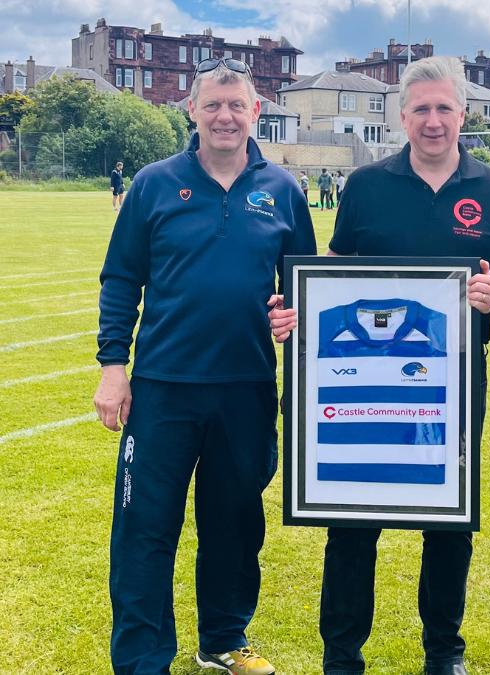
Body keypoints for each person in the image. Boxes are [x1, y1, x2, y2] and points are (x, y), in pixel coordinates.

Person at [270, 56, 490, 675]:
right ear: (401, 116)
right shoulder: (367, 185)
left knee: (448, 522)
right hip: (362, 381)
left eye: (445, 108)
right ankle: (342, 654)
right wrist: (299, 310)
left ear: (464, 114)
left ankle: (444, 652)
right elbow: (334, 266)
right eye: (421, 109)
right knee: (352, 518)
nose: (434, 121)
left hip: (454, 383)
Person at [94, 59, 317, 675]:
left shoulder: (285, 191)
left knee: (236, 523)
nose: (225, 116)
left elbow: (303, 289)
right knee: (145, 529)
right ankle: (142, 659)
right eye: (212, 105)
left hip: (246, 388)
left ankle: (223, 639)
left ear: (255, 112)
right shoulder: (154, 183)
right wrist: (114, 367)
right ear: (191, 111)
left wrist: (290, 314)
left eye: (236, 105)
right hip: (163, 389)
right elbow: (121, 279)